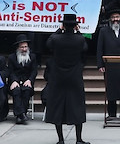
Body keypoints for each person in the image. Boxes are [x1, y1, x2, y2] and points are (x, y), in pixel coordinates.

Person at [45, 14, 90, 144]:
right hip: (74, 76)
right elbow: (85, 48)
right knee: (77, 105)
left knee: (57, 105)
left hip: (58, 76)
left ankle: (60, 139)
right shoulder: (79, 39)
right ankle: (79, 139)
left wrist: (60, 30)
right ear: (75, 25)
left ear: (63, 25)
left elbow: (48, 44)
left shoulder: (55, 38)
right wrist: (78, 31)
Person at [7, 34, 38, 124]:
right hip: (15, 81)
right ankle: (21, 115)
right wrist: (14, 81)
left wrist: (30, 80)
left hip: (27, 81)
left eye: (25, 47)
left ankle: (20, 115)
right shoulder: (12, 57)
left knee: (27, 90)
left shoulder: (33, 57)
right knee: (16, 91)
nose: (24, 49)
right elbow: (10, 71)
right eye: (22, 47)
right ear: (18, 48)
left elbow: (34, 71)